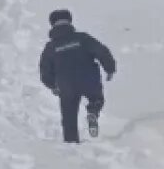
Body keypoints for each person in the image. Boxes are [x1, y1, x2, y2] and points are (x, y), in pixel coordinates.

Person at [38, 9, 116, 142]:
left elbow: (44, 70)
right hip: (89, 78)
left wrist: (52, 85)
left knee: (69, 116)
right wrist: (110, 68)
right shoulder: (82, 38)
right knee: (96, 98)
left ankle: (71, 143)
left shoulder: (51, 47)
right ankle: (93, 111)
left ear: (52, 24)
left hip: (66, 84)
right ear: (69, 21)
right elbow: (101, 51)